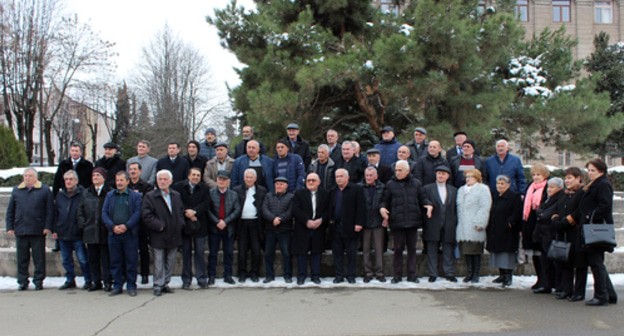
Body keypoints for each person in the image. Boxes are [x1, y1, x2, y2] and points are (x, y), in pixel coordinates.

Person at [569, 159, 617, 306]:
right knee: (595, 262)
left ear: (601, 171)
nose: (589, 173)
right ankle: (609, 294)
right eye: (588, 170)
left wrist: (590, 216)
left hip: (595, 229)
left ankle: (601, 296)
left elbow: (605, 205)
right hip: (588, 228)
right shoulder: (594, 184)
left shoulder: (602, 184)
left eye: (593, 170)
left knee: (596, 263)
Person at [380, 160, 431, 284]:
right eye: (396, 170)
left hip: (412, 222)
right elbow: (384, 200)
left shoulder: (416, 183)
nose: (397, 172)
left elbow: (423, 198)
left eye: (400, 170)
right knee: (397, 249)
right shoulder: (390, 184)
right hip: (397, 222)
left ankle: (412, 275)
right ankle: (397, 275)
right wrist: (382, 208)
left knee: (412, 249)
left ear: (407, 171)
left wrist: (428, 205)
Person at [5, 168, 53, 291]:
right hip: (21, 229)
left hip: (38, 229)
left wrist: (47, 226)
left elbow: (49, 210)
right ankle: (22, 281)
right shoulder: (17, 190)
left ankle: (38, 281)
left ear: (36, 177)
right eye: (25, 176)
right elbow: (11, 210)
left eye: (30, 176)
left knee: (39, 258)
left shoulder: (44, 190)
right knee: (22, 258)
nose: (27, 178)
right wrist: (10, 226)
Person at [142, 170, 185, 296]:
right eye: (160, 179)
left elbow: (180, 211)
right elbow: (146, 215)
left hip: (174, 233)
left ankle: (165, 283)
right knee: (158, 261)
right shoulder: (150, 196)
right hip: (158, 233)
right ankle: (158, 284)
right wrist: (159, 226)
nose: (162, 181)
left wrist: (180, 223)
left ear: (170, 181)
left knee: (170, 261)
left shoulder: (176, 195)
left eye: (165, 179)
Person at [102, 171, 142, 297]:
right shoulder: (110, 195)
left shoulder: (135, 196)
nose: (119, 183)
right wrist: (113, 226)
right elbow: (104, 213)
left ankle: (131, 285)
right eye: (117, 180)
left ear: (127, 181)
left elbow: (137, 213)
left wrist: (127, 225)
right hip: (114, 234)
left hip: (129, 234)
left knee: (131, 261)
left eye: (121, 180)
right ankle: (117, 285)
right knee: (115, 261)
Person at [172, 167, 211, 289]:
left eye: (198, 175)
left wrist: (195, 212)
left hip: (199, 224)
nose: (196, 177)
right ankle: (186, 279)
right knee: (186, 253)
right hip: (184, 225)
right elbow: (177, 202)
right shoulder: (178, 187)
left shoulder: (204, 188)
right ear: (188, 176)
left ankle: (202, 278)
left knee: (200, 253)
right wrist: (187, 212)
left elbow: (206, 203)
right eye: (193, 175)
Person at [53, 170, 91, 290]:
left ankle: (88, 280)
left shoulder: (83, 194)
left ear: (76, 181)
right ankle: (70, 280)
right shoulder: (60, 196)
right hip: (63, 233)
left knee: (83, 259)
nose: (68, 182)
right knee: (66, 260)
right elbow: (55, 213)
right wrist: (55, 229)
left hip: (77, 233)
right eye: (66, 179)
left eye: (71, 179)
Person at [551, 167, 585, 301]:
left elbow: (578, 211)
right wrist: (555, 218)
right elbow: (557, 208)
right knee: (566, 262)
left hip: (575, 232)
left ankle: (579, 292)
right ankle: (567, 289)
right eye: (566, 178)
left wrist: (566, 221)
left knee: (579, 263)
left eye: (570, 178)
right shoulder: (565, 194)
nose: (567, 181)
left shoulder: (582, 193)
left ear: (578, 178)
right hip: (563, 232)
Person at [77, 167, 112, 292]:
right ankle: (96, 281)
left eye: (98, 175)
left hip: (104, 231)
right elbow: (80, 210)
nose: (95, 177)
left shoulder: (109, 192)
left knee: (106, 259)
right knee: (93, 259)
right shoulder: (87, 192)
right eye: (93, 175)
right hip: (90, 231)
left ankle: (108, 281)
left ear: (103, 178)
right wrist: (83, 224)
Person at [422, 166, 458, 283]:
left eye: (443, 174)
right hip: (432, 223)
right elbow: (422, 200)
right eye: (438, 173)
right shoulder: (427, 188)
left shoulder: (453, 190)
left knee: (448, 249)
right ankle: (433, 273)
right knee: (432, 250)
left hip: (449, 224)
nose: (440, 176)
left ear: (447, 176)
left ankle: (449, 273)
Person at [329, 169, 365, 284]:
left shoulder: (356, 189)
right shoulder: (333, 191)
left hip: (351, 227)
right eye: (337, 176)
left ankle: (351, 275)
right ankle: (339, 275)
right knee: (337, 253)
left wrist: (359, 223)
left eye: (341, 176)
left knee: (351, 253)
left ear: (347, 177)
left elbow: (361, 207)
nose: (338, 178)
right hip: (336, 227)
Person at [291, 173, 329, 285]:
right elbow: (295, 209)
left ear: (319, 182)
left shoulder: (325, 194)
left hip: (318, 227)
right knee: (302, 253)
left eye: (313, 180)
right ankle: (301, 276)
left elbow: (328, 210)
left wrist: (321, 220)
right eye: (308, 180)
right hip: (303, 227)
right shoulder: (299, 194)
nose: (310, 182)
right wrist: (306, 220)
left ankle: (315, 276)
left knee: (316, 252)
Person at [205, 170, 241, 285]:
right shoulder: (210, 193)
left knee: (229, 253)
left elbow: (237, 210)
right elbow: (208, 209)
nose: (221, 181)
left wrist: (225, 221)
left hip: (228, 228)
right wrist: (217, 222)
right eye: (220, 179)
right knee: (213, 253)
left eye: (224, 179)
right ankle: (211, 275)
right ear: (216, 180)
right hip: (214, 228)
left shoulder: (233, 194)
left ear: (228, 181)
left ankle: (228, 275)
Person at [456, 169, 492, 283]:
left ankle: (476, 273)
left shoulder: (483, 189)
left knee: (475, 251)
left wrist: (480, 222)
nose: (468, 179)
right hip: (463, 226)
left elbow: (485, 206)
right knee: (466, 251)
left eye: (471, 177)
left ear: (477, 178)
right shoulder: (461, 190)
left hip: (475, 225)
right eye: (467, 177)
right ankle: (469, 273)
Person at [487, 175, 523, 288]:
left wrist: (510, 222)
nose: (499, 186)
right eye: (498, 183)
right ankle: (501, 274)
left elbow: (517, 212)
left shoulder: (514, 196)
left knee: (506, 254)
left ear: (508, 184)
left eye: (502, 183)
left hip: (508, 230)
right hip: (496, 229)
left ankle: (508, 276)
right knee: (498, 252)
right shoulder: (496, 196)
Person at [232, 169, 267, 283]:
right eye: (247, 177)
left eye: (251, 177)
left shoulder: (262, 190)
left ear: (255, 179)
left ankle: (254, 272)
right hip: (242, 223)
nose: (249, 179)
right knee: (242, 250)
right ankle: (242, 273)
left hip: (256, 223)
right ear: (244, 178)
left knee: (256, 250)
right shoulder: (237, 190)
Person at [532, 177, 565, 294]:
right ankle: (547, 284)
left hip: (551, 233)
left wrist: (542, 214)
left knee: (553, 261)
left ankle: (555, 285)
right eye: (548, 187)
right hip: (543, 233)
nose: (549, 190)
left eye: (552, 187)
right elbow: (540, 211)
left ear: (559, 188)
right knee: (545, 261)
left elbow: (546, 214)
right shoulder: (548, 198)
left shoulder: (560, 198)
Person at [521, 163, 550, 290]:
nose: (536, 177)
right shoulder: (530, 187)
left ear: (544, 175)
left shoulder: (547, 187)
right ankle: (539, 279)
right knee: (535, 254)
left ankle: (546, 281)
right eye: (533, 174)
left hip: (542, 224)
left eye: (538, 174)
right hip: (530, 223)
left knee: (542, 253)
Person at [261, 176, 294, 283]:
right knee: (268, 254)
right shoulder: (268, 196)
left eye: (281, 184)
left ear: (286, 186)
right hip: (270, 229)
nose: (279, 186)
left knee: (286, 254)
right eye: (277, 184)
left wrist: (280, 219)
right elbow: (264, 209)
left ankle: (287, 275)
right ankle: (269, 275)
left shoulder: (291, 197)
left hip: (285, 230)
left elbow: (291, 211)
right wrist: (273, 218)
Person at [127, 162, 153, 284]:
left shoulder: (146, 186)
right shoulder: (125, 186)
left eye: (135, 169)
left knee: (143, 250)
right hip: (128, 222)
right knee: (129, 250)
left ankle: (144, 274)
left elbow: (147, 204)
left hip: (142, 223)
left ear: (140, 171)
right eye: (130, 169)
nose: (132, 171)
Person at [360, 167, 386, 283]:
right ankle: (368, 273)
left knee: (378, 249)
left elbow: (385, 202)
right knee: (366, 249)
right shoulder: (359, 187)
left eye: (371, 175)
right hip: (364, 223)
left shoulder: (382, 187)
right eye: (367, 175)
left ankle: (380, 273)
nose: (369, 177)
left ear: (376, 176)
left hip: (377, 222)